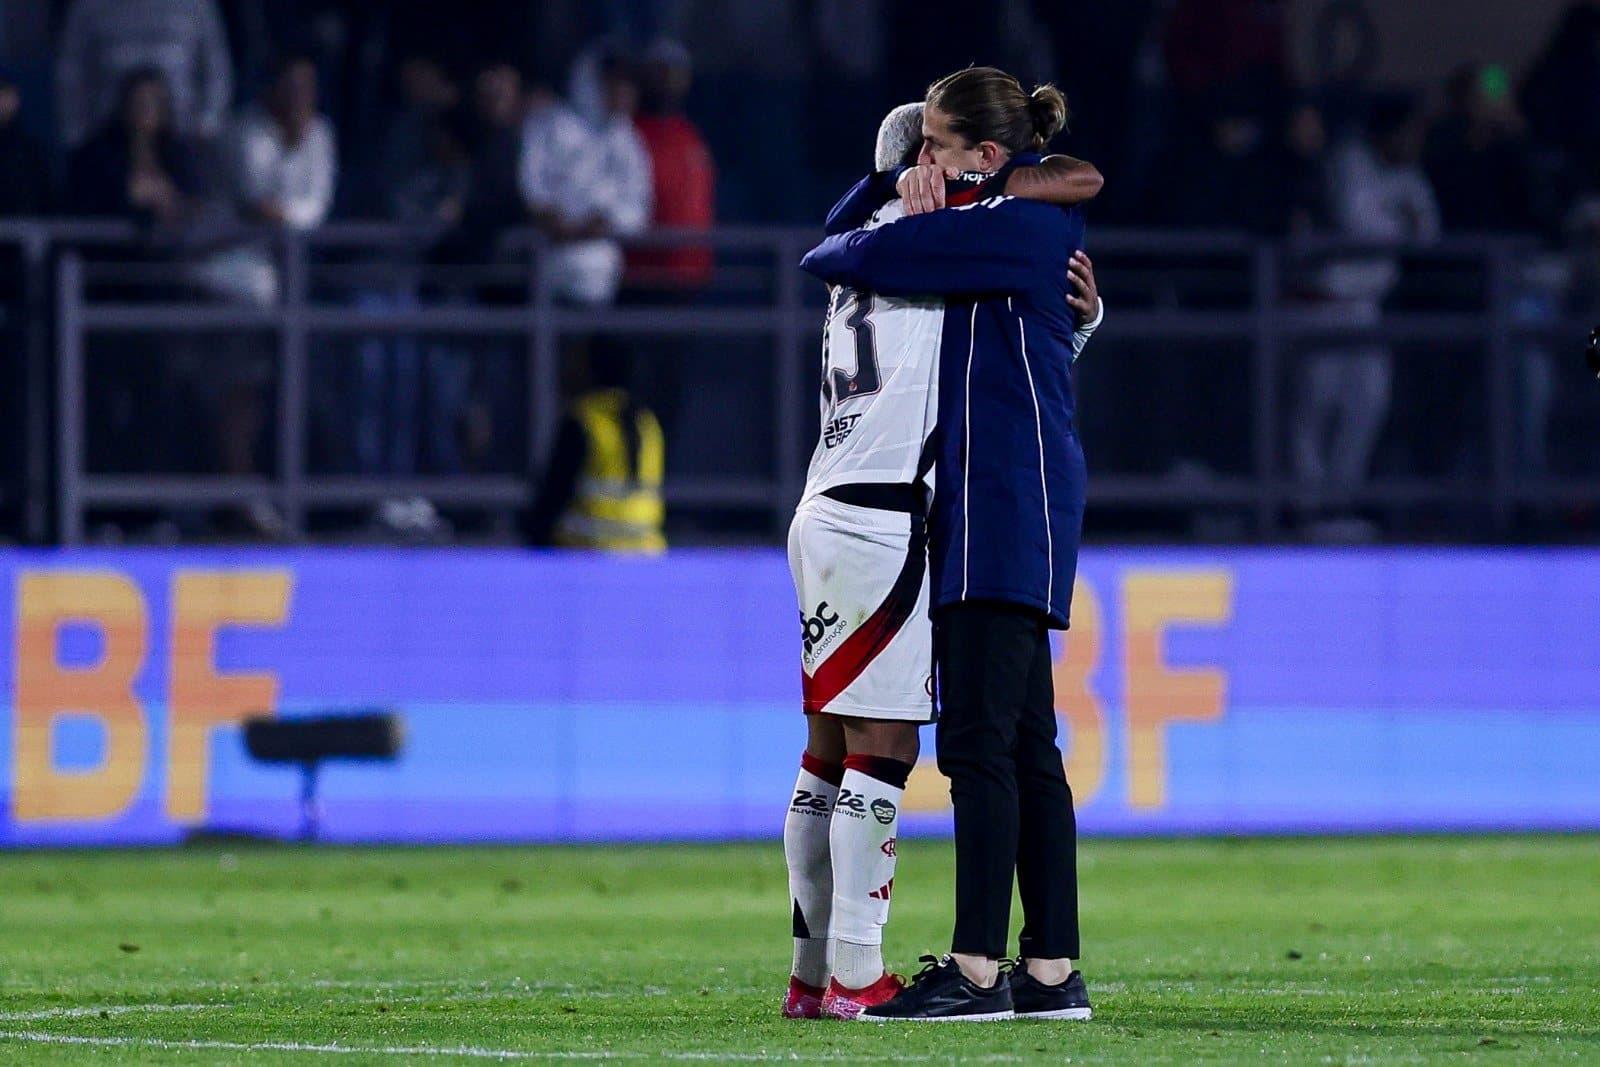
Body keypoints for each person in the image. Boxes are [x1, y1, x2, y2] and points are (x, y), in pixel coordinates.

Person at [789, 82, 1103, 1023]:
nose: (926, 163)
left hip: (993, 502)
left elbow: (850, 248)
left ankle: (968, 970)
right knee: (1021, 741)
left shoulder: (994, 231)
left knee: (971, 744)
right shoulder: (981, 233)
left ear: (980, 157)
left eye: (939, 147)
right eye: (917, 148)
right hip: (961, 502)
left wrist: (886, 197)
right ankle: (1048, 967)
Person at [1292, 93, 1439, 535]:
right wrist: (1402, 222)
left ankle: (1338, 506)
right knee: (1314, 408)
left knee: (1368, 402)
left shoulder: (1409, 172)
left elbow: (1429, 233)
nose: (1415, 142)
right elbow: (1357, 223)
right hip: (1319, 303)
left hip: (1367, 309)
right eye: (1409, 132)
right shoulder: (1349, 160)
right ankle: (1305, 509)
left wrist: (1397, 223)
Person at [521, 348, 665, 552]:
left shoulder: (583, 422)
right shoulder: (647, 423)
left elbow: (550, 502)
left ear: (590, 370)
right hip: (646, 559)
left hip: (587, 557)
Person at [56, 0, 233, 149]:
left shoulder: (196, 5)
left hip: (185, 137)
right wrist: (77, 134)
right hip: (108, 144)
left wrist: (206, 128)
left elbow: (217, 70)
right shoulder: (90, 6)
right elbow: (71, 73)